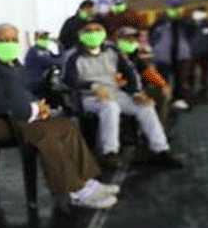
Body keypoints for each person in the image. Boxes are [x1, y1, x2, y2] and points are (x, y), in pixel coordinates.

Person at [0, 24, 119, 211]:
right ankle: (75, 192)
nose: (9, 44)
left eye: (13, 40)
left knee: (66, 126)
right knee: (46, 133)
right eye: (3, 40)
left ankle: (85, 180)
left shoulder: (11, 63)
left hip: (15, 118)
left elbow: (22, 92)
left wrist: (40, 107)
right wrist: (33, 110)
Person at [63, 22, 183, 170]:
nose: (93, 34)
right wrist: (92, 87)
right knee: (110, 107)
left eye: (97, 30)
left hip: (114, 92)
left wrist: (136, 93)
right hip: (89, 96)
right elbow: (68, 80)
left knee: (145, 106)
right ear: (81, 35)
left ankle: (161, 150)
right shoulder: (73, 56)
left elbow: (130, 71)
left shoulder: (111, 50)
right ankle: (110, 152)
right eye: (89, 31)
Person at [116, 28, 172, 123]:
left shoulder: (135, 56)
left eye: (133, 39)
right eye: (127, 38)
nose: (131, 41)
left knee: (162, 93)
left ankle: (160, 125)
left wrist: (163, 85)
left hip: (138, 88)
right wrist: (135, 92)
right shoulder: (112, 56)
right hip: (121, 92)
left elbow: (146, 72)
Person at [148, 0, 192, 111]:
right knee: (163, 80)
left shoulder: (186, 22)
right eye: (172, 7)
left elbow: (191, 35)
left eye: (177, 7)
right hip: (163, 57)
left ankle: (178, 99)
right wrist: (155, 48)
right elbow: (151, 36)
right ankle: (164, 100)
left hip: (181, 56)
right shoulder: (160, 22)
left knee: (180, 79)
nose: (174, 10)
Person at [185, 5, 208, 100]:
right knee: (190, 70)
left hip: (205, 51)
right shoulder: (188, 24)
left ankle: (204, 87)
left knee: (205, 70)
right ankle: (190, 87)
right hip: (192, 51)